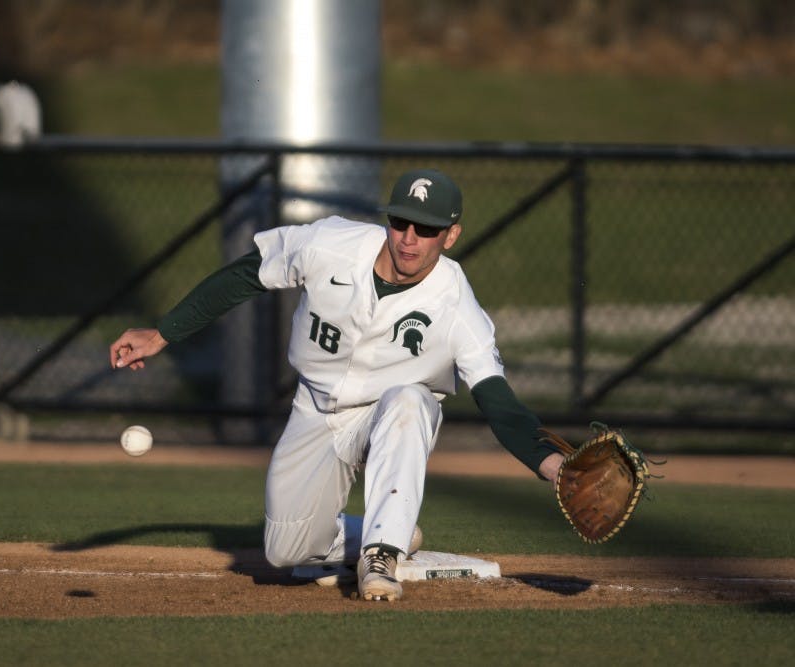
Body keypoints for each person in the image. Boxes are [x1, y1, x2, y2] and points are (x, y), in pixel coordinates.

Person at [110, 167, 565, 602]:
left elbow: (495, 397)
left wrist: (550, 463)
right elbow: (249, 272)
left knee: (409, 399)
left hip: (390, 411)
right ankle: (387, 528)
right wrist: (163, 333)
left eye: (425, 229)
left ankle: (381, 554)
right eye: (401, 222)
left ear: (451, 235)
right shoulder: (330, 244)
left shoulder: (458, 306)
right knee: (284, 550)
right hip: (316, 407)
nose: (409, 238)